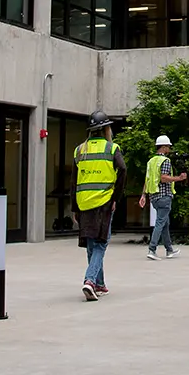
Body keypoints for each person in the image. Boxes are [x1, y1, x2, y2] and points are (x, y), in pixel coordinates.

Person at [72, 110, 124, 301]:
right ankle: (90, 281)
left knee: (92, 244)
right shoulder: (112, 148)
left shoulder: (79, 150)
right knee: (101, 243)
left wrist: (74, 208)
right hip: (103, 202)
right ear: (105, 129)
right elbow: (123, 170)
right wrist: (115, 198)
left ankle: (99, 284)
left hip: (84, 202)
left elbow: (73, 182)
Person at [140, 135, 187, 260]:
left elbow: (147, 179)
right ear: (164, 147)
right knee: (160, 223)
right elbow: (163, 178)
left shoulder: (151, 161)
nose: (170, 149)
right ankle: (152, 249)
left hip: (154, 197)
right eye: (168, 147)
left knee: (165, 223)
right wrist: (179, 178)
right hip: (164, 196)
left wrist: (143, 195)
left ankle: (169, 250)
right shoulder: (165, 161)